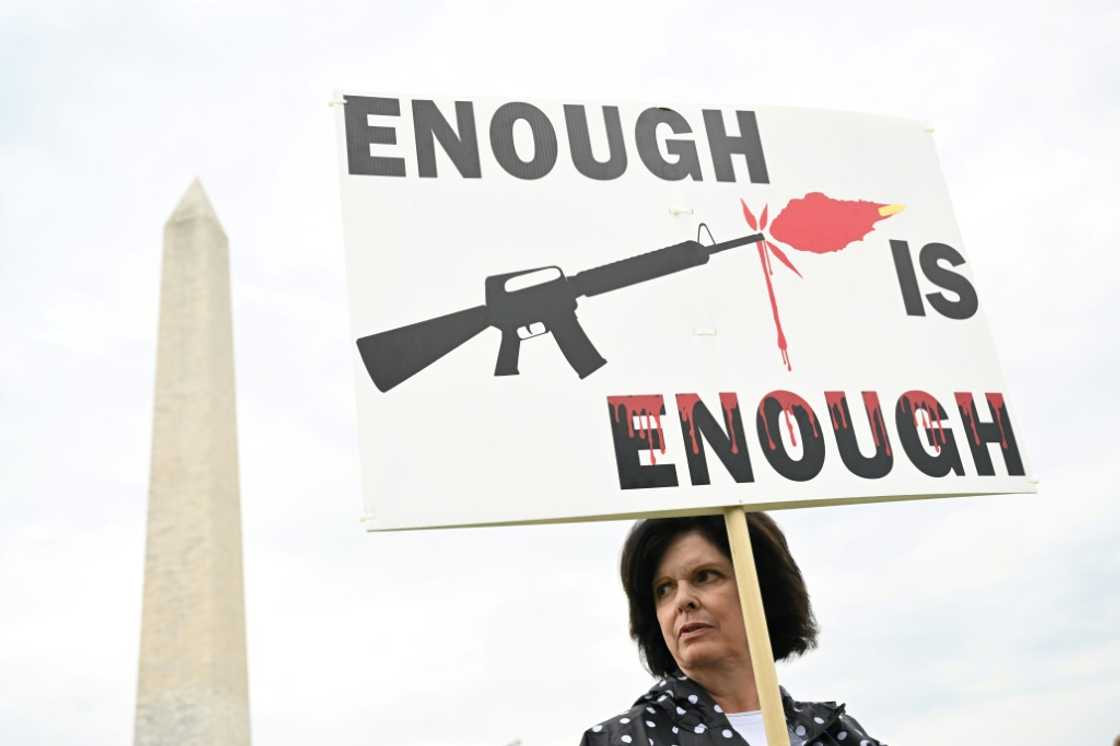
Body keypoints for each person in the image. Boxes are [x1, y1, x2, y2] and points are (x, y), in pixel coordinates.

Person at [580, 513, 883, 746]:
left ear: (762, 588)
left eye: (705, 576)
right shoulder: (619, 740)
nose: (682, 600)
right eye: (664, 589)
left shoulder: (837, 735)